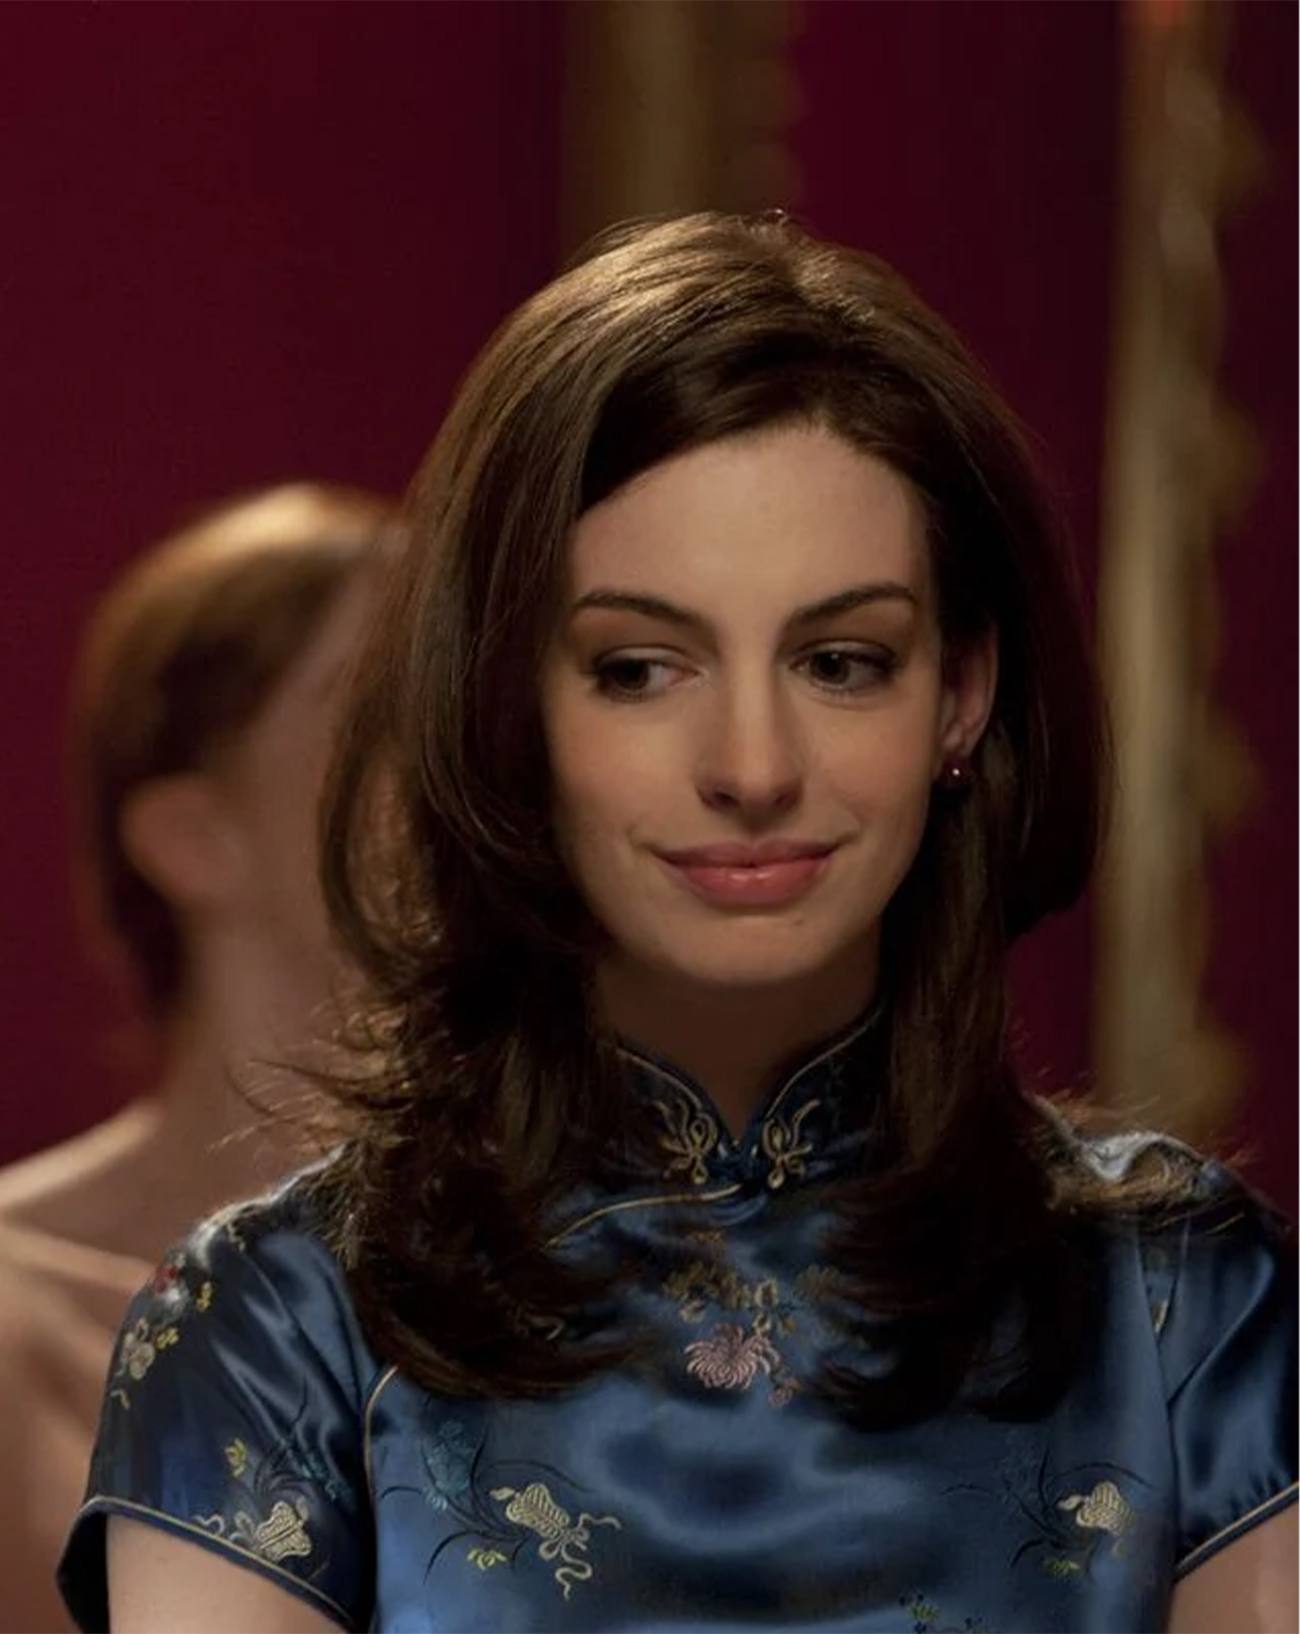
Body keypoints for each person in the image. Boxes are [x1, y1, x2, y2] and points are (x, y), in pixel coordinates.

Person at [59, 215, 1295, 1634]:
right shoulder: (279, 1330)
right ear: (507, 702)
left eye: (842, 660)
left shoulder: (1181, 1302)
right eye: (639, 668)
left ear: (958, 698)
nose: (753, 765)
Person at [0, 483, 394, 1634]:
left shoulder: (612, 1271)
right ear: (191, 836)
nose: (464, 765)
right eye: (378, 708)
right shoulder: (17, 1318)